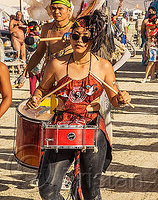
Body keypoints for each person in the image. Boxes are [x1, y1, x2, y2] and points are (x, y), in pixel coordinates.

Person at [26, 11, 131, 200]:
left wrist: (122, 98)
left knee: (91, 192)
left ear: (94, 40)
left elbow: (115, 99)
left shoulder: (104, 66)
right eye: (75, 36)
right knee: (48, 190)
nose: (79, 41)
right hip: (61, 126)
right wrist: (35, 97)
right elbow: (42, 89)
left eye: (85, 37)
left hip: (91, 127)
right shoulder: (56, 64)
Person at [20, 0, 74, 90]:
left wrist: (75, 39)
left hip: (69, 76)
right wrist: (25, 73)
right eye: (53, 8)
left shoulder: (76, 29)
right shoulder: (46, 28)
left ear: (69, 10)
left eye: (60, 8)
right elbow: (39, 53)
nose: (56, 12)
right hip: (49, 75)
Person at [141, 10, 158, 82]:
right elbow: (154, 27)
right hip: (152, 45)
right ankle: (145, 77)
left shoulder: (155, 26)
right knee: (151, 62)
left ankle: (152, 77)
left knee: (154, 62)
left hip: (156, 45)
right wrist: (157, 23)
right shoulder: (149, 26)